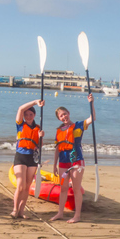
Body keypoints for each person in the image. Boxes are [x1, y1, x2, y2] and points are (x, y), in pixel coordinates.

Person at [50, 94, 94, 223]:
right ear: (59, 118)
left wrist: (91, 103)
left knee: (76, 188)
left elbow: (92, 118)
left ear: (68, 113)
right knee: (63, 189)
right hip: (63, 162)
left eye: (64, 114)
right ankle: (60, 213)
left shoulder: (79, 125)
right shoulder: (59, 131)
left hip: (76, 161)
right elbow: (57, 148)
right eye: (61, 116)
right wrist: (54, 166)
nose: (64, 117)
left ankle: (77, 216)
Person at [11, 99, 45, 219]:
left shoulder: (38, 127)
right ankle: (15, 209)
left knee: (27, 186)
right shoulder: (20, 124)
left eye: (31, 114)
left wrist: (41, 137)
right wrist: (35, 102)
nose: (28, 116)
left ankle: (21, 211)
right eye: (26, 115)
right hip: (20, 156)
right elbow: (20, 108)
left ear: (34, 115)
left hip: (32, 158)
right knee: (20, 185)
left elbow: (39, 145)